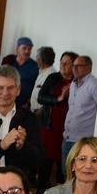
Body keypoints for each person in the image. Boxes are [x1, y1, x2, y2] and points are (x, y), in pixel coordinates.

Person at [0, 64, 44, 180]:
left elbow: (39, 159)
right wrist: (1, 145)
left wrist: (23, 146)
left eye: (10, 88)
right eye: (0, 88)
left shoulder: (30, 119)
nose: (5, 93)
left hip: (17, 183)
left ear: (18, 90)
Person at [37, 51, 76, 185]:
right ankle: (41, 188)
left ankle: (60, 190)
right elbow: (41, 97)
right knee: (45, 158)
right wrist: (59, 98)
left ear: (74, 66)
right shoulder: (53, 77)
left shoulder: (77, 82)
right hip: (50, 126)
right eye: (61, 62)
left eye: (67, 63)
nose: (63, 65)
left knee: (64, 160)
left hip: (68, 129)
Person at [62, 55, 97, 174]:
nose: (74, 68)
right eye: (74, 65)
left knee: (77, 174)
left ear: (89, 67)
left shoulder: (94, 85)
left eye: (79, 66)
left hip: (83, 140)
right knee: (66, 172)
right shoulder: (73, 85)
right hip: (68, 137)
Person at [1, 37, 39, 107]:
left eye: (29, 49)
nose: (27, 51)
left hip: (22, 105)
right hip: (4, 100)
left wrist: (28, 102)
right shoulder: (8, 60)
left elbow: (36, 87)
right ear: (17, 49)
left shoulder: (35, 66)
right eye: (24, 48)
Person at [29, 46, 56, 113]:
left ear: (41, 60)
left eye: (37, 57)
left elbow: (49, 99)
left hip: (40, 114)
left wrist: (39, 112)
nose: (36, 60)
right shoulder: (42, 71)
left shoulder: (51, 76)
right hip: (33, 111)